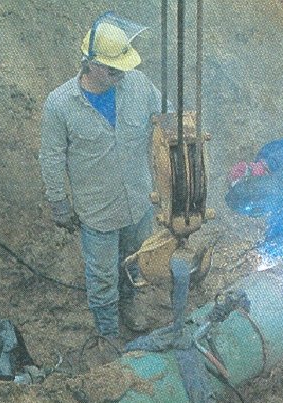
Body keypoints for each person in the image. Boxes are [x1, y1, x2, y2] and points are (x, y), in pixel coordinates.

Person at [39, 13, 162, 343]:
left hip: (138, 202)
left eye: (123, 67)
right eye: (113, 69)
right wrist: (58, 204)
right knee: (103, 276)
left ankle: (131, 307)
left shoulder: (137, 85)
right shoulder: (61, 104)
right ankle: (108, 333)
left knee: (135, 261)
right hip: (98, 213)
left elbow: (166, 121)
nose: (121, 75)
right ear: (90, 63)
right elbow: (51, 157)